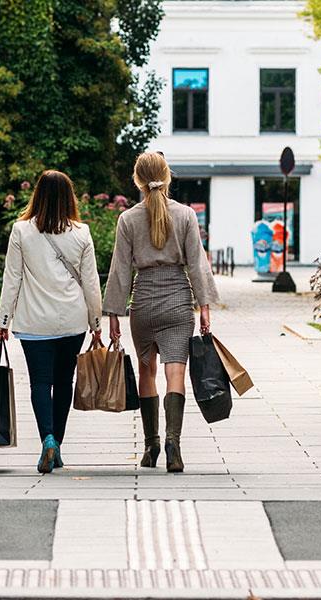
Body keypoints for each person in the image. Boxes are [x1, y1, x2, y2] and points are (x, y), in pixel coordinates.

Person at [104, 152, 219, 473]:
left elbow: (120, 271)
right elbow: (197, 264)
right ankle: (173, 443)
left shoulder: (127, 219)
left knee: (147, 372)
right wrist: (205, 307)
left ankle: (150, 445)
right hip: (178, 302)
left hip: (143, 303)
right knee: (175, 373)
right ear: (167, 177)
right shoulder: (185, 216)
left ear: (137, 180)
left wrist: (113, 313)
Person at [0, 170, 103, 474]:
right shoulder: (81, 232)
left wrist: (4, 319)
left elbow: (12, 278)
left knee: (40, 383)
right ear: (69, 197)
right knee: (64, 382)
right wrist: (96, 323)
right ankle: (57, 445)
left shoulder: (21, 231)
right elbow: (91, 282)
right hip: (71, 321)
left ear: (37, 195)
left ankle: (48, 439)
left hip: (33, 323)